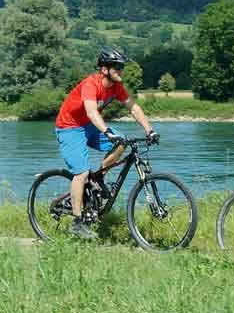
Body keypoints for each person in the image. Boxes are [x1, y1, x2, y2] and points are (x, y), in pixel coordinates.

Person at [54, 48, 158, 239]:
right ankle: (77, 222)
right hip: (69, 127)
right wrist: (107, 131)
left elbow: (134, 108)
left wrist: (149, 130)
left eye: (122, 67)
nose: (121, 71)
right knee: (82, 172)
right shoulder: (90, 84)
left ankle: (98, 178)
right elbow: (92, 112)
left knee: (121, 143)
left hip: (89, 126)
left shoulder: (117, 87)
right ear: (104, 69)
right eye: (117, 67)